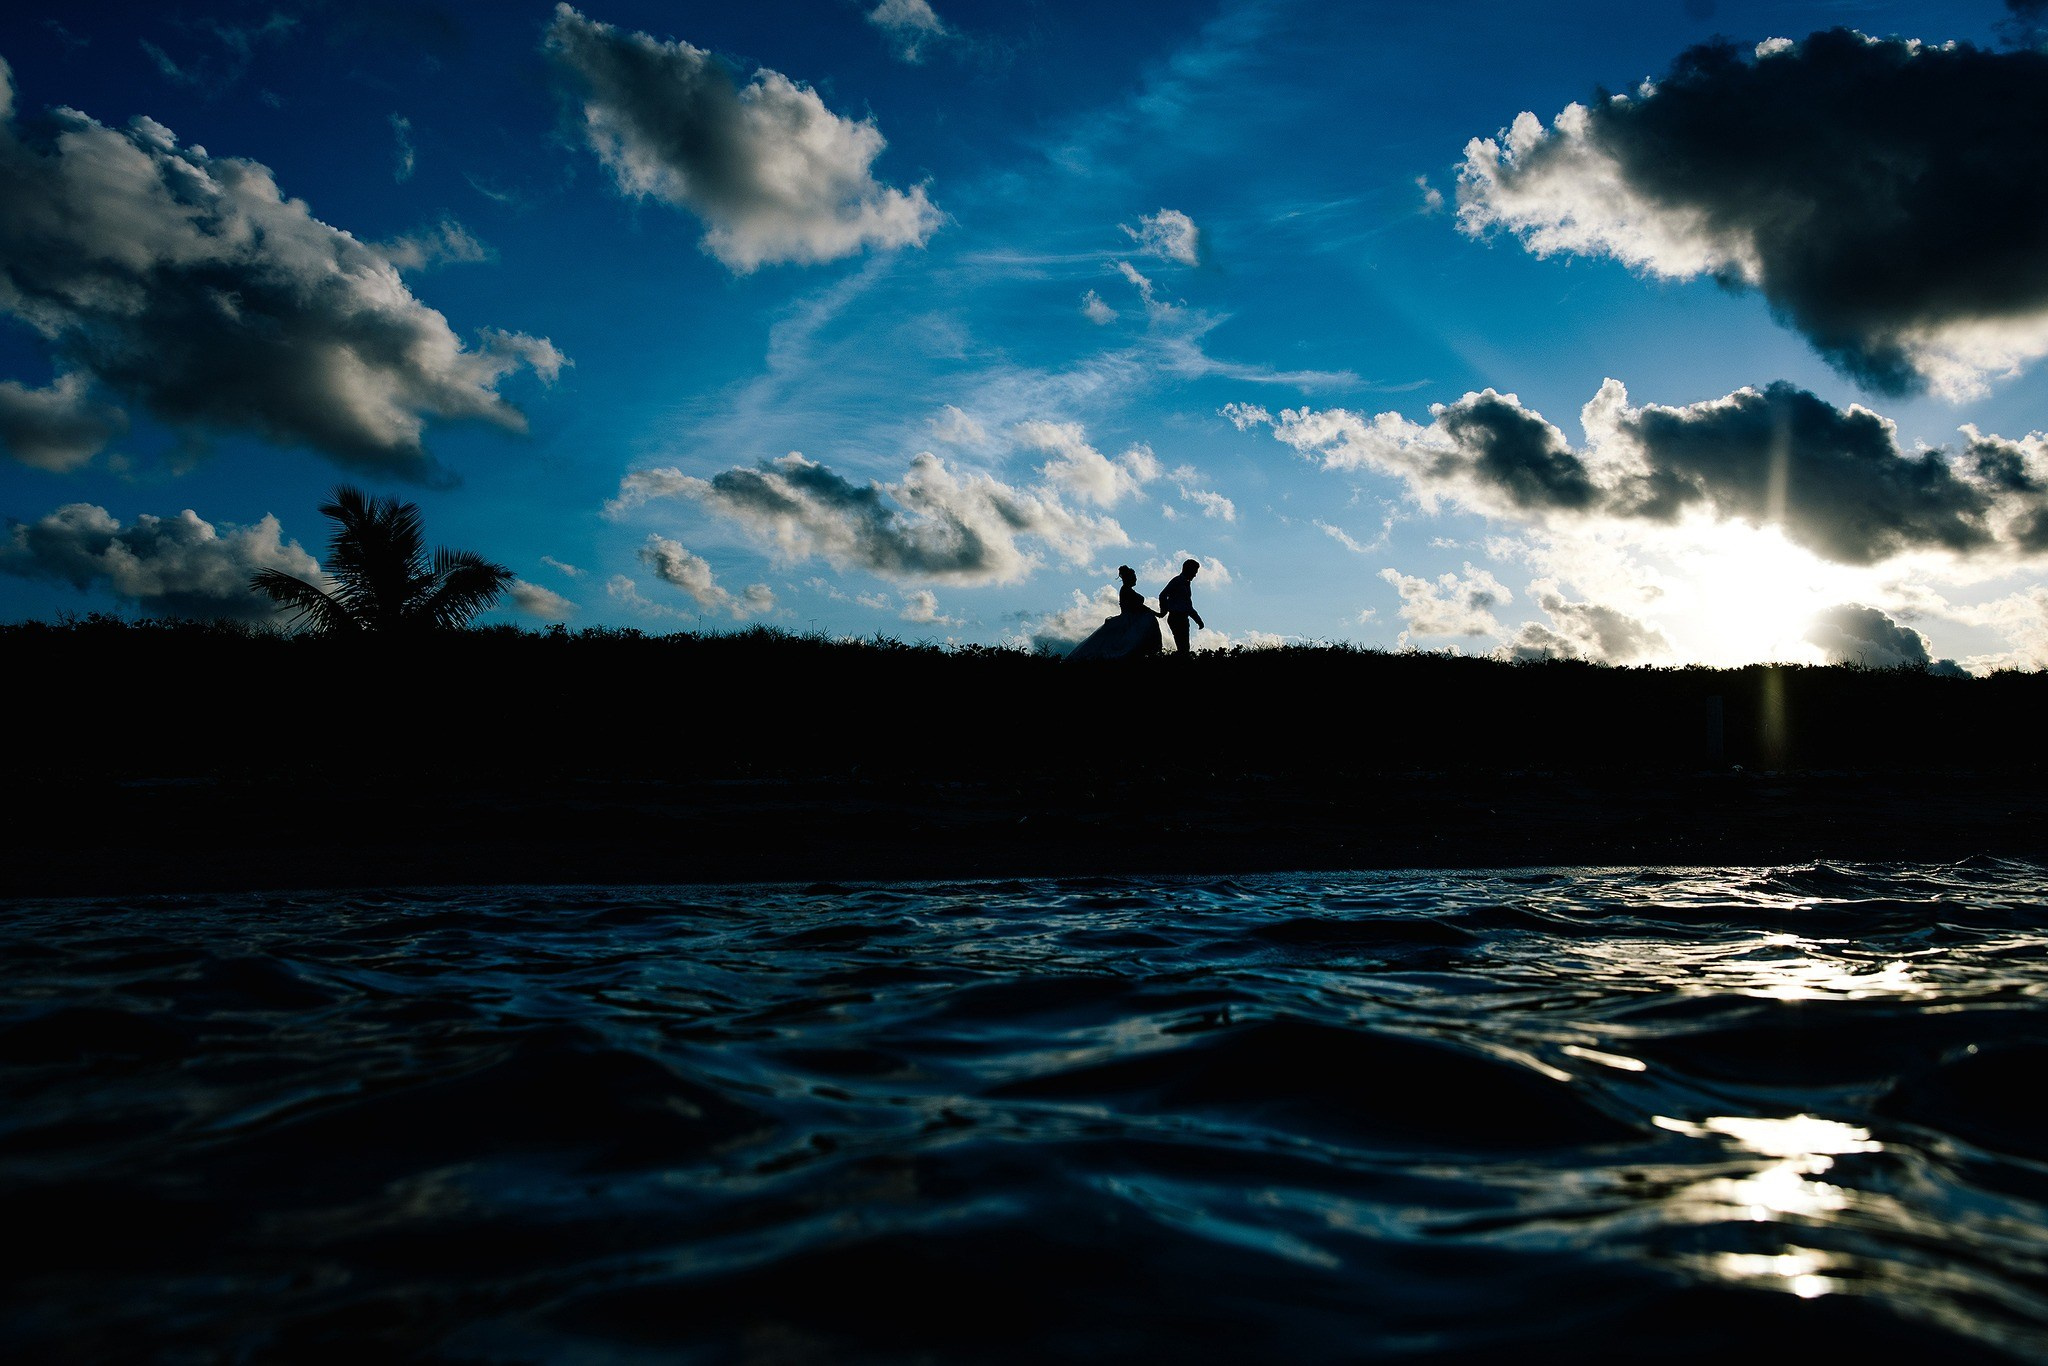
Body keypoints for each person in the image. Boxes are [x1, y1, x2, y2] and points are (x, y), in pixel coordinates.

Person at [1064, 566, 1164, 661]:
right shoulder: (1126, 590)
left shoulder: (1128, 590)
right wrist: (1156, 614)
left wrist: (1155, 614)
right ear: (1129, 578)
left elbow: (1140, 607)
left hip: (1132, 617)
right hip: (1130, 619)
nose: (1136, 579)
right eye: (1134, 577)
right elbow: (1138, 606)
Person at [1158, 558, 1204, 654]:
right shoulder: (1177, 581)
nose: (1195, 575)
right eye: (1194, 572)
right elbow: (1163, 595)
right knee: (1183, 648)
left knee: (1184, 648)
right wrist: (1164, 611)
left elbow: (1188, 606)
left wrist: (1198, 620)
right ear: (1188, 570)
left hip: (1182, 618)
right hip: (1176, 617)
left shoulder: (1186, 584)